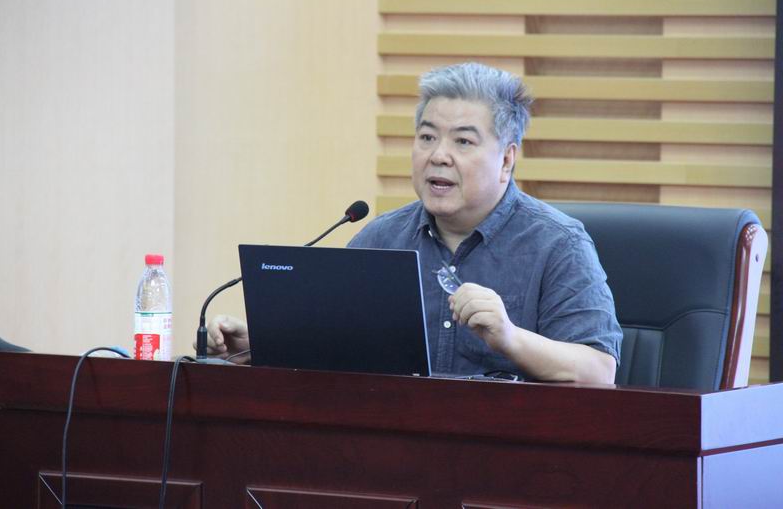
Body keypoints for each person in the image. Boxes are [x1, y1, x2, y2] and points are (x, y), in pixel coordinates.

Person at [202, 62, 622, 383]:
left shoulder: (558, 244)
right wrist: (254, 347)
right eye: (427, 137)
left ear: (507, 160)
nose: (438, 155)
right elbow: (332, 350)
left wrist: (510, 338)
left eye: (463, 141)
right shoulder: (381, 238)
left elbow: (599, 371)